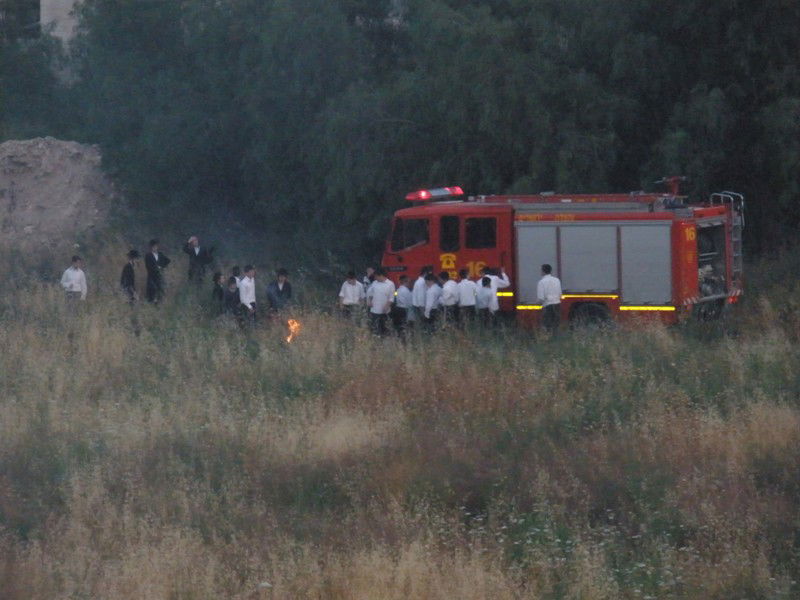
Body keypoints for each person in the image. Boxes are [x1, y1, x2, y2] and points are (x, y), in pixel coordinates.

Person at [367, 268, 395, 336]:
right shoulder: (374, 283)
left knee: (384, 328)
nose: (375, 278)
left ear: (381, 275)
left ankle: (384, 340)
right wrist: (370, 301)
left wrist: (387, 306)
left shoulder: (390, 284)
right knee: (375, 327)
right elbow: (370, 293)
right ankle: (376, 339)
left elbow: (391, 298)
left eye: (376, 276)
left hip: (384, 311)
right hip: (374, 310)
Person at [537, 264, 562, 334]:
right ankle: (556, 339)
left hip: (548, 306)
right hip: (557, 304)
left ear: (543, 271)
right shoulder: (557, 280)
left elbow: (541, 298)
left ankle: (548, 338)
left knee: (547, 325)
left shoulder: (541, 282)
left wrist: (537, 304)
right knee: (556, 324)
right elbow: (560, 294)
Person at [145, 239, 170, 304]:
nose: (155, 248)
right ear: (151, 247)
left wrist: (161, 267)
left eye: (156, 246)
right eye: (153, 247)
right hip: (151, 275)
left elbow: (168, 261)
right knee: (152, 289)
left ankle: (159, 303)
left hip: (159, 275)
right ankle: (151, 303)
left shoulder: (160, 254)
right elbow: (148, 266)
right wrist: (156, 268)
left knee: (160, 289)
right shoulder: (148, 255)